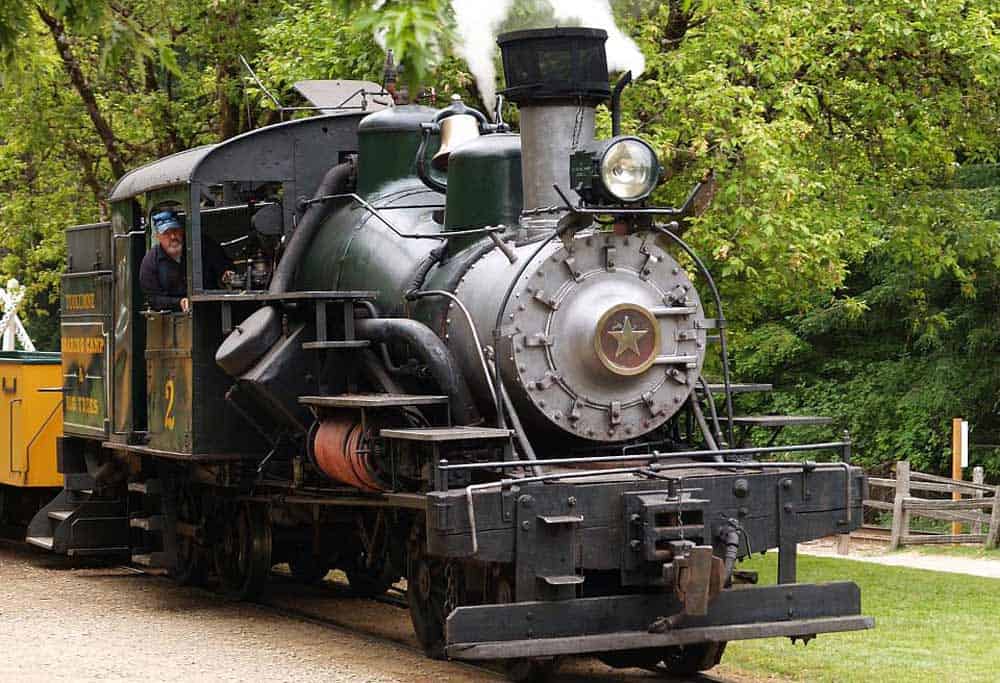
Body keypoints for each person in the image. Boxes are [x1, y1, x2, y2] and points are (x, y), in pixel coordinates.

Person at [139, 209, 233, 312]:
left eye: (175, 230)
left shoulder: (204, 245)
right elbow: (153, 299)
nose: (173, 237)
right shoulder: (150, 261)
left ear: (181, 230)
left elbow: (226, 267)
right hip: (175, 319)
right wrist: (179, 302)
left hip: (213, 310)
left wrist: (226, 274)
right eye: (166, 233)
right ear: (158, 236)